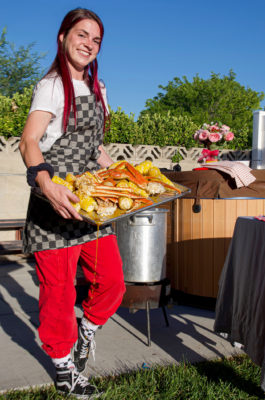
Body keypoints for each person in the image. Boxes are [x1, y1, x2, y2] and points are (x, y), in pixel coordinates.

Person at [19, 8, 125, 399]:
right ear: (63, 36)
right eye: (82, 35)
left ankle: (87, 331)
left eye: (96, 40)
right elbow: (29, 141)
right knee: (58, 295)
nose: (88, 45)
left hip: (89, 204)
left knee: (112, 282)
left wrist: (124, 175)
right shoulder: (51, 86)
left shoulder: (99, 90)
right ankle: (64, 368)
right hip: (54, 203)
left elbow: (93, 148)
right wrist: (45, 182)